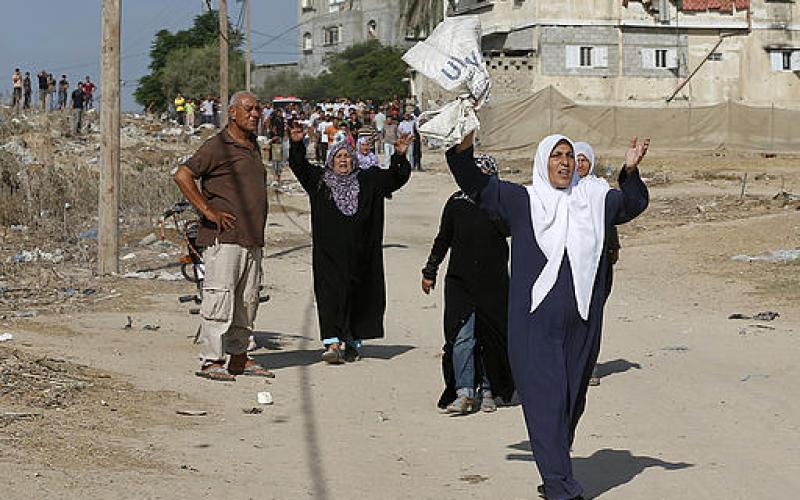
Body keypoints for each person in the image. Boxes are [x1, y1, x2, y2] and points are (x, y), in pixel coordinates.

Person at [446, 131, 649, 500]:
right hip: (535, 324)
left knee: (571, 402)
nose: (565, 162)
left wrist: (630, 170)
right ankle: (560, 486)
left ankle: (553, 466)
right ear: (543, 161)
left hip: (583, 322)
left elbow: (632, 204)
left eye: (569, 156)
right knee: (546, 402)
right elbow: (472, 180)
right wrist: (464, 145)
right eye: (556, 155)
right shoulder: (522, 200)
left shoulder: (593, 199)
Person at [287, 123, 412, 364]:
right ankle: (333, 343)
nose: (343, 161)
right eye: (339, 157)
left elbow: (396, 177)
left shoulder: (369, 179)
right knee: (330, 294)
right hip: (329, 255)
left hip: (362, 253)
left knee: (359, 294)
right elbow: (299, 166)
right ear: (331, 160)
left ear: (354, 159)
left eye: (347, 156)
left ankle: (353, 341)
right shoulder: (319, 181)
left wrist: (399, 155)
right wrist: (296, 144)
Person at [173, 91, 272, 382]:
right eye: (249, 109)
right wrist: (208, 211)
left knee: (247, 301)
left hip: (251, 238)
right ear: (232, 112)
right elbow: (183, 175)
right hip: (224, 239)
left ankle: (239, 357)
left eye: (258, 110)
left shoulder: (252, 144)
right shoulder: (218, 146)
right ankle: (211, 360)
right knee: (219, 299)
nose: (255, 114)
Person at [422, 154, 515, 414]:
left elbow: (517, 233)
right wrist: (430, 269)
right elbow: (444, 238)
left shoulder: (502, 205)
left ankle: (488, 390)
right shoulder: (456, 202)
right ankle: (464, 392)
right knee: (462, 337)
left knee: (490, 337)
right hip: (460, 282)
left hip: (494, 284)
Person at [574, 142, 621, 387]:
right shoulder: (562, 189)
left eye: (584, 160)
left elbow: (609, 222)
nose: (580, 164)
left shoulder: (599, 189)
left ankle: (589, 365)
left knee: (592, 312)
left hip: (597, 259)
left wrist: (614, 247)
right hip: (571, 262)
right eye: (576, 159)